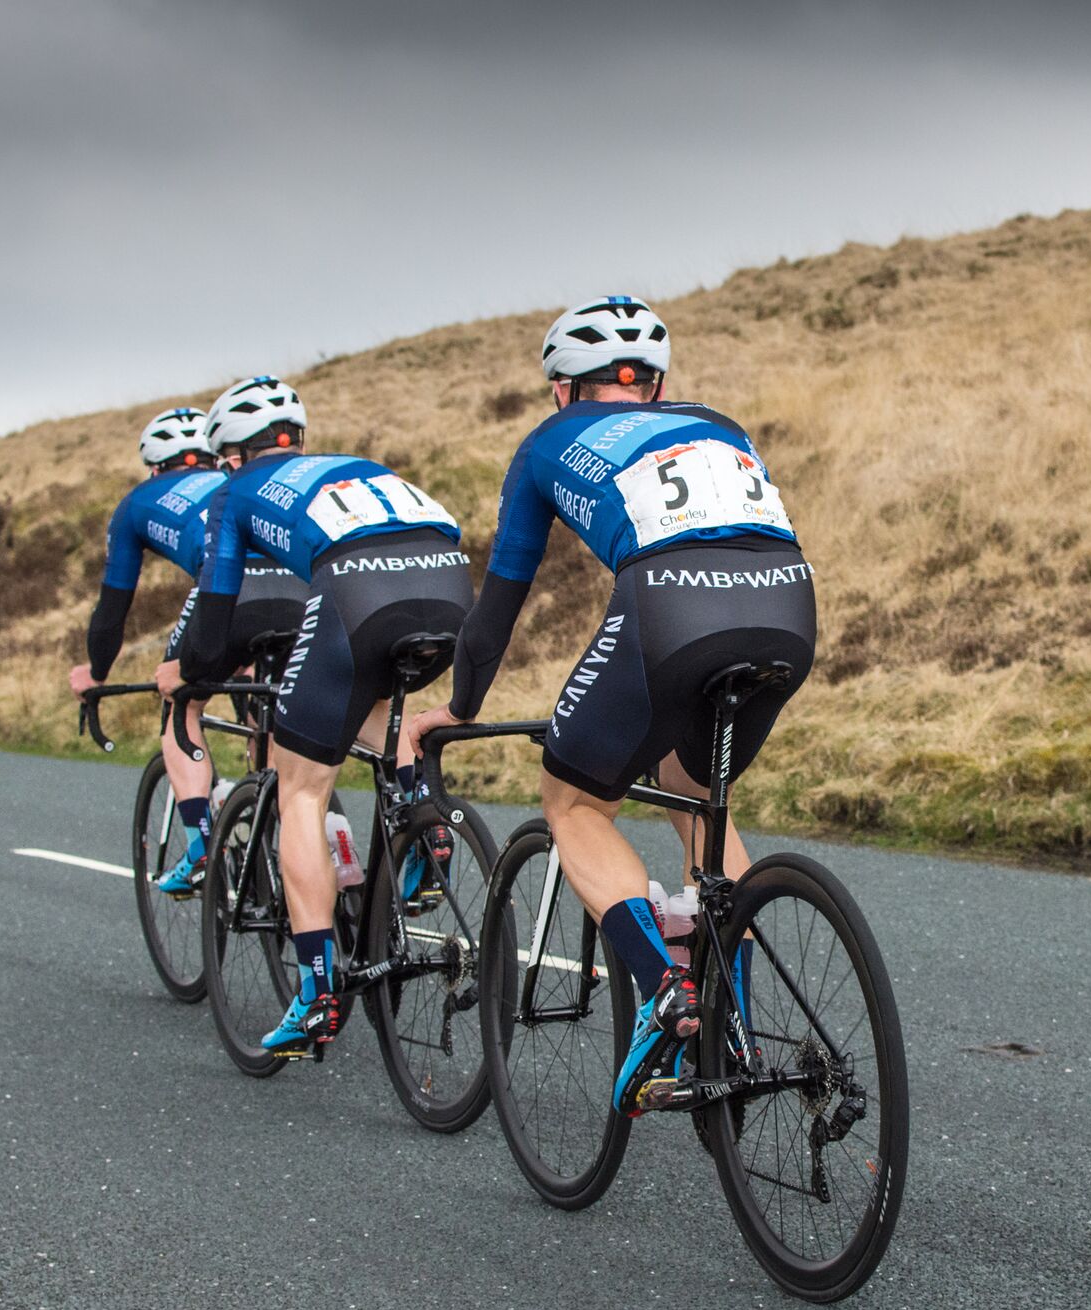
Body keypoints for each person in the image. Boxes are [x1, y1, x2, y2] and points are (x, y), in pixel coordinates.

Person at [401, 296, 815, 1116]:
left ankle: (668, 990)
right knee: (698, 796)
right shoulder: (718, 423)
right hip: (790, 606)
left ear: (562, 389)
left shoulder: (546, 444)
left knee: (577, 800)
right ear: (656, 389)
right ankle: (732, 1008)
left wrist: (459, 704)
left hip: (670, 605)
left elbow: (500, 606)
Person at [158, 375, 472, 1054]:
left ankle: (317, 987)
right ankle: (423, 821)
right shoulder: (348, 471)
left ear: (231, 457)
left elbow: (212, 637)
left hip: (361, 588)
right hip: (449, 584)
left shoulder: (233, 493)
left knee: (299, 786)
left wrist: (183, 674)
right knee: (376, 705)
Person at [68, 408, 236, 893]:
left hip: (223, 588)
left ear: (155, 467)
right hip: (297, 584)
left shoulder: (139, 501)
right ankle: (283, 808)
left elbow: (112, 606)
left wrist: (97, 673)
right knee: (269, 704)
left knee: (178, 704)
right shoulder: (236, 478)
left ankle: (202, 849)